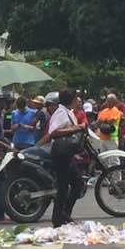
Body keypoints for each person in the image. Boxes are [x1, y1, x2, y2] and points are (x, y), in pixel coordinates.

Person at [48, 89, 85, 227]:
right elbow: (54, 132)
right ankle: (58, 218)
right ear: (71, 100)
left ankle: (64, 214)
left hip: (66, 154)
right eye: (76, 98)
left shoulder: (68, 113)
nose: (77, 101)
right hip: (60, 155)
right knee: (64, 187)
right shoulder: (61, 113)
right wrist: (76, 128)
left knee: (77, 184)